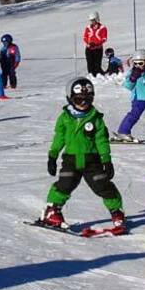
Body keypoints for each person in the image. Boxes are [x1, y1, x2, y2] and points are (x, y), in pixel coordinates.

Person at [41, 77, 125, 234]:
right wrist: (52, 156)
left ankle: (116, 211)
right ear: (70, 98)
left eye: (87, 99)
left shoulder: (96, 118)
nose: (83, 103)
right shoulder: (65, 118)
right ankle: (52, 211)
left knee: (103, 186)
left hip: (92, 161)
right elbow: (59, 138)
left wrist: (107, 160)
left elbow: (101, 141)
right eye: (79, 99)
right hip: (71, 160)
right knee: (64, 185)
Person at [83, 12, 108, 76]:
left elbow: (104, 38)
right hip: (89, 48)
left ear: (97, 19)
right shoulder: (88, 27)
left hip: (97, 49)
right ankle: (91, 75)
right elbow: (85, 37)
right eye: (91, 20)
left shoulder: (102, 28)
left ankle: (98, 76)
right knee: (90, 63)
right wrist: (88, 43)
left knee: (97, 64)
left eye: (93, 20)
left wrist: (96, 44)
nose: (92, 22)